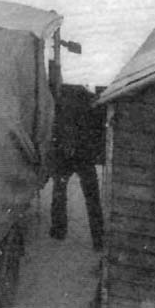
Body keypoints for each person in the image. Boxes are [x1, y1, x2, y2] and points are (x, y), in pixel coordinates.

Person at [49, 84, 106, 251]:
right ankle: (98, 238)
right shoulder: (91, 105)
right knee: (92, 197)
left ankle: (58, 231)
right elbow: (98, 131)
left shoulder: (61, 102)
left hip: (69, 156)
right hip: (81, 156)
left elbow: (55, 128)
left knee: (59, 193)